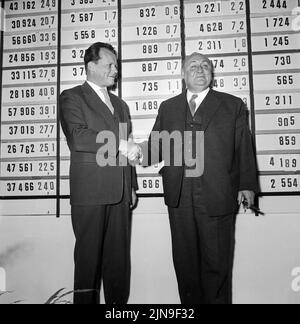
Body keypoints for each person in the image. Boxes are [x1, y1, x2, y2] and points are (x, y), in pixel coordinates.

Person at [121, 52, 259, 304]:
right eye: (193, 66)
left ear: (212, 73)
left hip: (218, 194)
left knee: (216, 266)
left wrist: (247, 185)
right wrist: (138, 150)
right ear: (183, 74)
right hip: (179, 195)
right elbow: (156, 145)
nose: (200, 70)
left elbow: (243, 147)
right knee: (185, 266)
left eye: (205, 66)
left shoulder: (233, 105)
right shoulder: (168, 107)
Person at [60, 42, 138, 304]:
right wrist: (121, 144)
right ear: (90, 66)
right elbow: (78, 138)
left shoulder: (121, 105)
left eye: (116, 65)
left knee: (118, 265)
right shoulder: (71, 97)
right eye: (110, 65)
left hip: (120, 194)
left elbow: (128, 149)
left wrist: (132, 186)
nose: (115, 70)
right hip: (90, 194)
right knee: (88, 265)